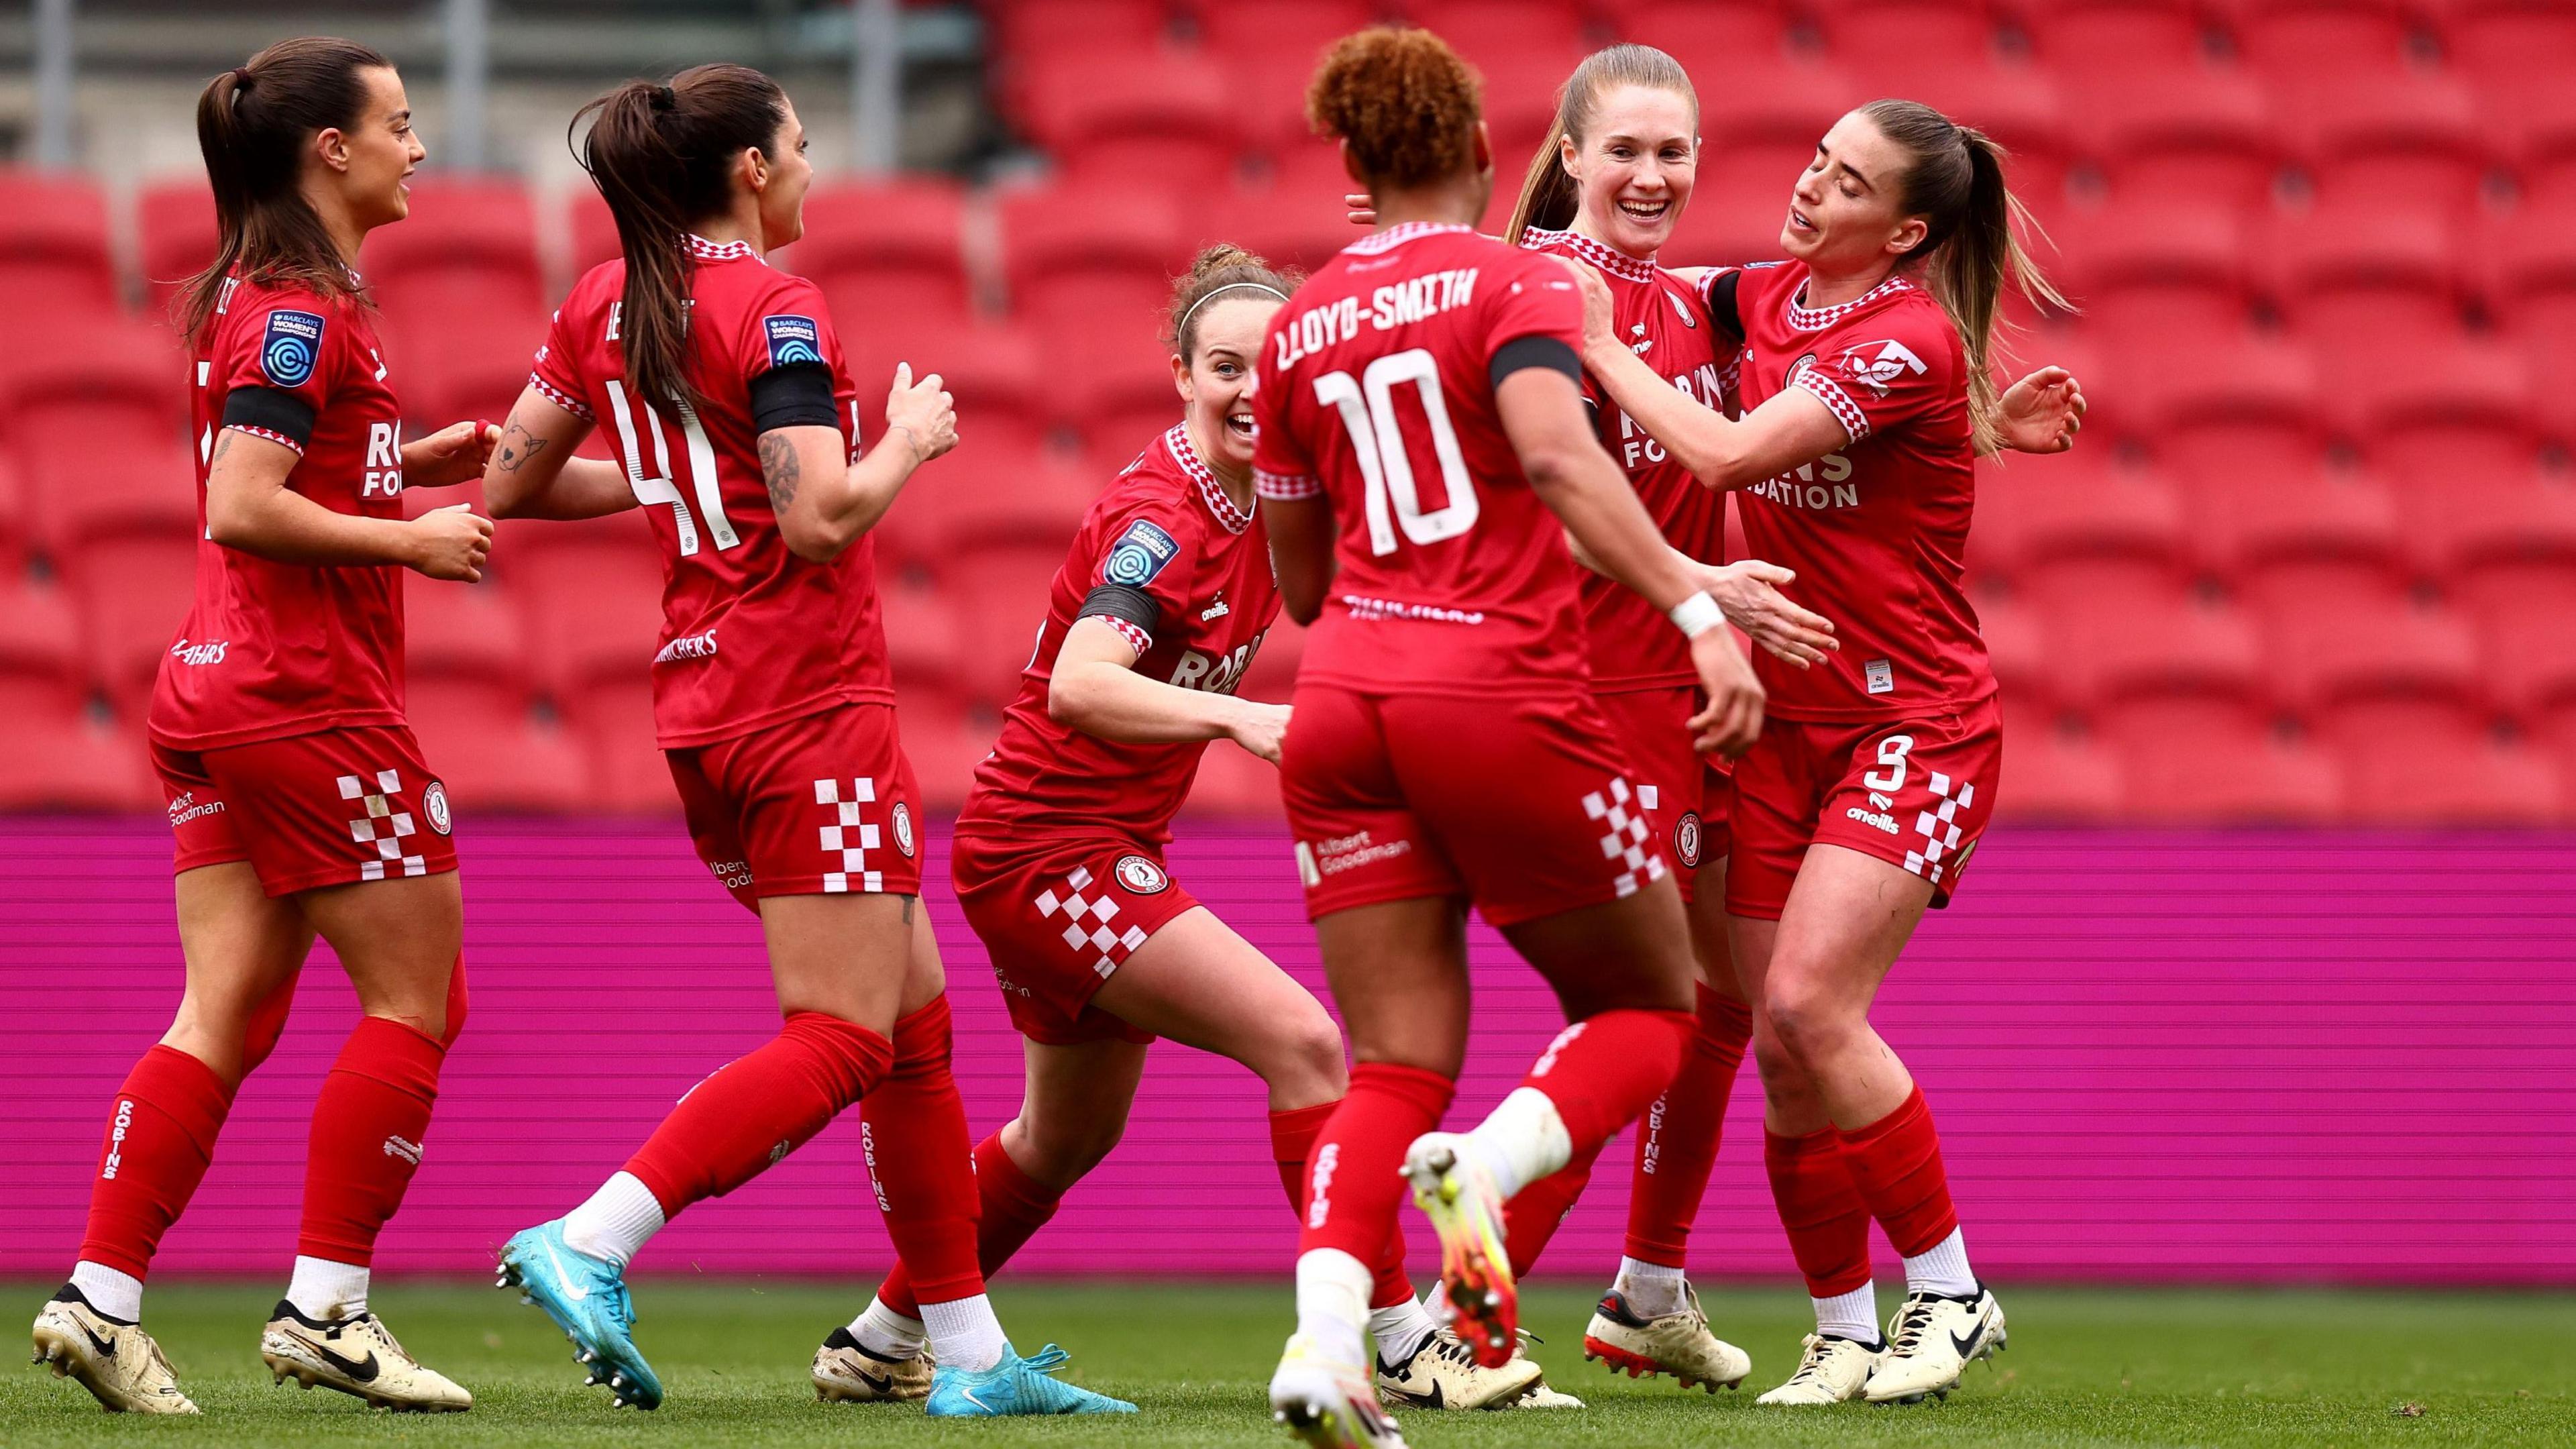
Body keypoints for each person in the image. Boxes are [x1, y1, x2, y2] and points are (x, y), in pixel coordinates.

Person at [479, 63, 1129, 1417]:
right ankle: (591, 1237)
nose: (818, 167)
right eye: (805, 144)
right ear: (754, 172)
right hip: (807, 706)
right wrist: (908, 441)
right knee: (842, 1038)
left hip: (702, 711)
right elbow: (820, 520)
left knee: (916, 1032)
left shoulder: (603, 299)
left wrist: (688, 483)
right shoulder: (775, 310)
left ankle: (964, 1358)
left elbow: (511, 484)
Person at [807, 244, 1552, 1414]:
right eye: (1224, 367)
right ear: (1178, 375)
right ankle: (1402, 1338)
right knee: (1304, 1044)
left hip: (1077, 848)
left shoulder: (1284, 497)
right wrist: (1240, 719)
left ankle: (882, 1336)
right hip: (1050, 851)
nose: (1252, 389)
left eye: (1274, 365)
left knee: (1061, 1141)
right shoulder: (1162, 519)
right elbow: (1083, 686)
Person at [1462, 44, 2087, 1399]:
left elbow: (1736, 452)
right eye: (1813, 159)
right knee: (1756, 1027)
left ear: (1908, 230)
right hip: (1770, 722)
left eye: (1846, 181)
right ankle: (1838, 1326)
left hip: (1905, 720)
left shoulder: (1905, 329)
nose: (1806, 188)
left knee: (1789, 1005)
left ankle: (1949, 1289)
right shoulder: (1769, 297)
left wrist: (1606, 346)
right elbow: (1662, 306)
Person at [1252, 28, 1772, 1448]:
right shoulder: (1517, 277)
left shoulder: (1297, 323)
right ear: (1493, 160)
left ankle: (1324, 1349)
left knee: (1391, 1062)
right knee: (1657, 1010)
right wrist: (1695, 604)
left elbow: (1297, 583)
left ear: (1353, 170)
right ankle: (1481, 1176)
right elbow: (1556, 455)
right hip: (1495, 692)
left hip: (1341, 700)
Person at [29, 37, 494, 1418]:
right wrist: (409, 540)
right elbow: (240, 500)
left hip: (216, 693)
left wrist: (420, 457)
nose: (422, 147)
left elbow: (287, 468)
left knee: (225, 1008)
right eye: (401, 125)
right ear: (330, 153)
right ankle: (329, 1309)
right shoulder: (296, 308)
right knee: (422, 1000)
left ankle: (99, 1301)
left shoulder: (264, 298)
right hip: (310, 700)